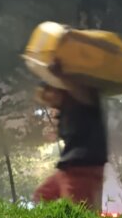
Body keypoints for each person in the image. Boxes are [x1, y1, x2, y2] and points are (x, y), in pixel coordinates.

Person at [32, 82, 107, 210]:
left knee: (78, 213)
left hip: (83, 169)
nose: (49, 103)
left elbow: (78, 89)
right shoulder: (65, 109)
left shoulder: (82, 98)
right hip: (67, 169)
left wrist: (61, 75)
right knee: (42, 195)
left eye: (47, 95)